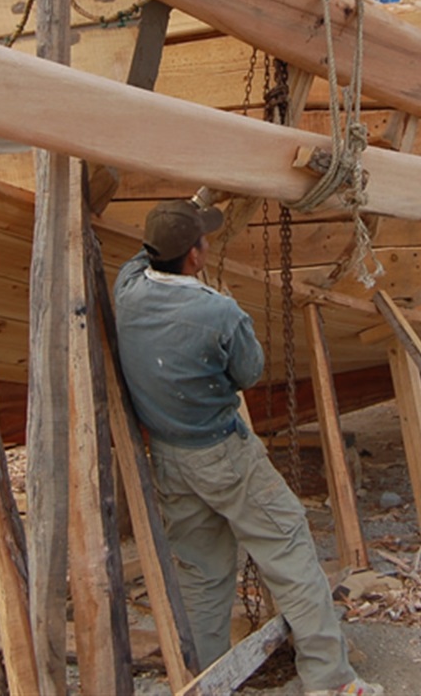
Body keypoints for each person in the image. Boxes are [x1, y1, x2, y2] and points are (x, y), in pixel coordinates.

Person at [113, 199, 382, 696]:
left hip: (168, 458)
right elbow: (249, 373)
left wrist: (185, 214)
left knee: (201, 572)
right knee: (289, 549)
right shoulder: (219, 311)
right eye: (203, 240)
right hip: (222, 454)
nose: (208, 245)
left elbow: (144, 254)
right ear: (195, 256)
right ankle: (330, 679)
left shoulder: (126, 289)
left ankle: (208, 680)